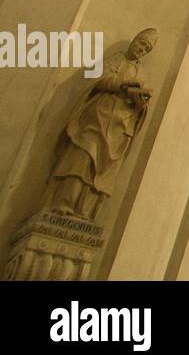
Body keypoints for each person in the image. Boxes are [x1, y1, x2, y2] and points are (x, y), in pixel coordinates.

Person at [47, 28, 158, 219]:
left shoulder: (141, 73)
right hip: (98, 116)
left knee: (103, 170)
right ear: (134, 41)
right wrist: (122, 85)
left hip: (120, 126)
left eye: (146, 48)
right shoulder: (115, 60)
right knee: (83, 157)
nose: (142, 49)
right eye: (141, 44)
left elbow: (142, 104)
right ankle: (63, 203)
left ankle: (83, 211)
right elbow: (97, 78)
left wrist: (141, 101)